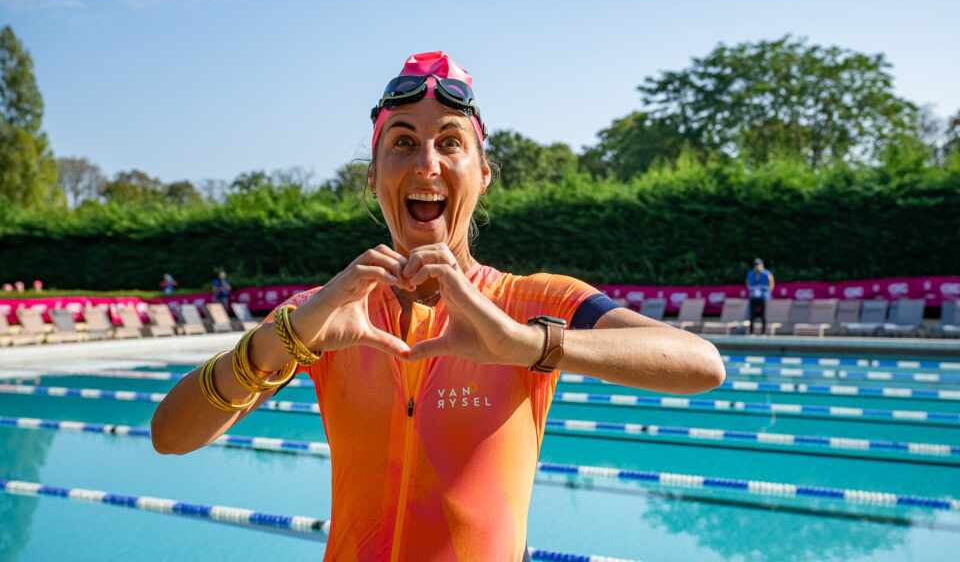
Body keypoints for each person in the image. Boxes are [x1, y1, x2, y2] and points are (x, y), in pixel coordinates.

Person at [151, 52, 725, 562]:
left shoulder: (531, 301)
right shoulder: (328, 312)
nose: (427, 163)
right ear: (374, 176)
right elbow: (170, 434)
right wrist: (286, 339)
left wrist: (524, 343)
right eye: (402, 141)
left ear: (482, 175)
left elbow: (700, 363)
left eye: (450, 142)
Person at [747, 258, 775, 334]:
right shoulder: (750, 273)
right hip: (753, 297)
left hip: (763, 297)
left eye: (758, 265)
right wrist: (751, 290)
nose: (757, 267)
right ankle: (751, 332)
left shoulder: (767, 273)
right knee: (752, 315)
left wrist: (768, 292)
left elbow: (771, 283)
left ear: (762, 265)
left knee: (763, 315)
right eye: (756, 265)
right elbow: (748, 282)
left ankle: (763, 332)